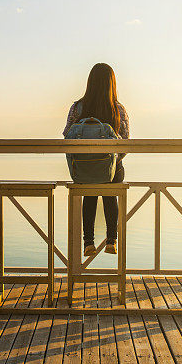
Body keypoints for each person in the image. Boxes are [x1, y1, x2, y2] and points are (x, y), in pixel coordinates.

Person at [62, 63, 129, 256]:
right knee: (110, 188)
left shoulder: (77, 108)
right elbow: (125, 143)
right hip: (111, 172)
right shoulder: (118, 109)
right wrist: (112, 159)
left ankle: (88, 242)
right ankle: (111, 240)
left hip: (83, 170)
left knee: (89, 191)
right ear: (112, 83)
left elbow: (67, 136)